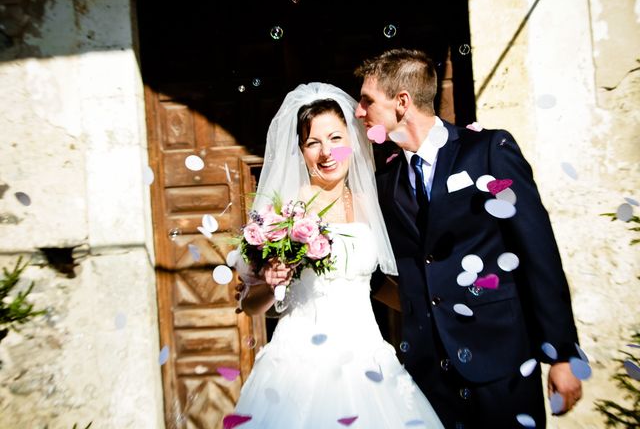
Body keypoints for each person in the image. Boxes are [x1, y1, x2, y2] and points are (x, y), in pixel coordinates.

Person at [353, 48, 583, 429]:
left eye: (367, 100)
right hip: (427, 378)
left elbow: (537, 250)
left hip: (501, 362)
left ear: (402, 103)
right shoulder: (384, 184)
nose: (359, 111)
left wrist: (561, 354)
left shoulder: (489, 152)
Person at [226, 82, 444, 428]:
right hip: (301, 363)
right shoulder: (284, 211)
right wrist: (269, 283)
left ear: (352, 142)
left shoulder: (370, 203)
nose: (326, 153)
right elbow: (250, 304)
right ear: (301, 149)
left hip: (368, 357)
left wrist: (432, 308)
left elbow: (372, 284)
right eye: (313, 142)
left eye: (335, 139)